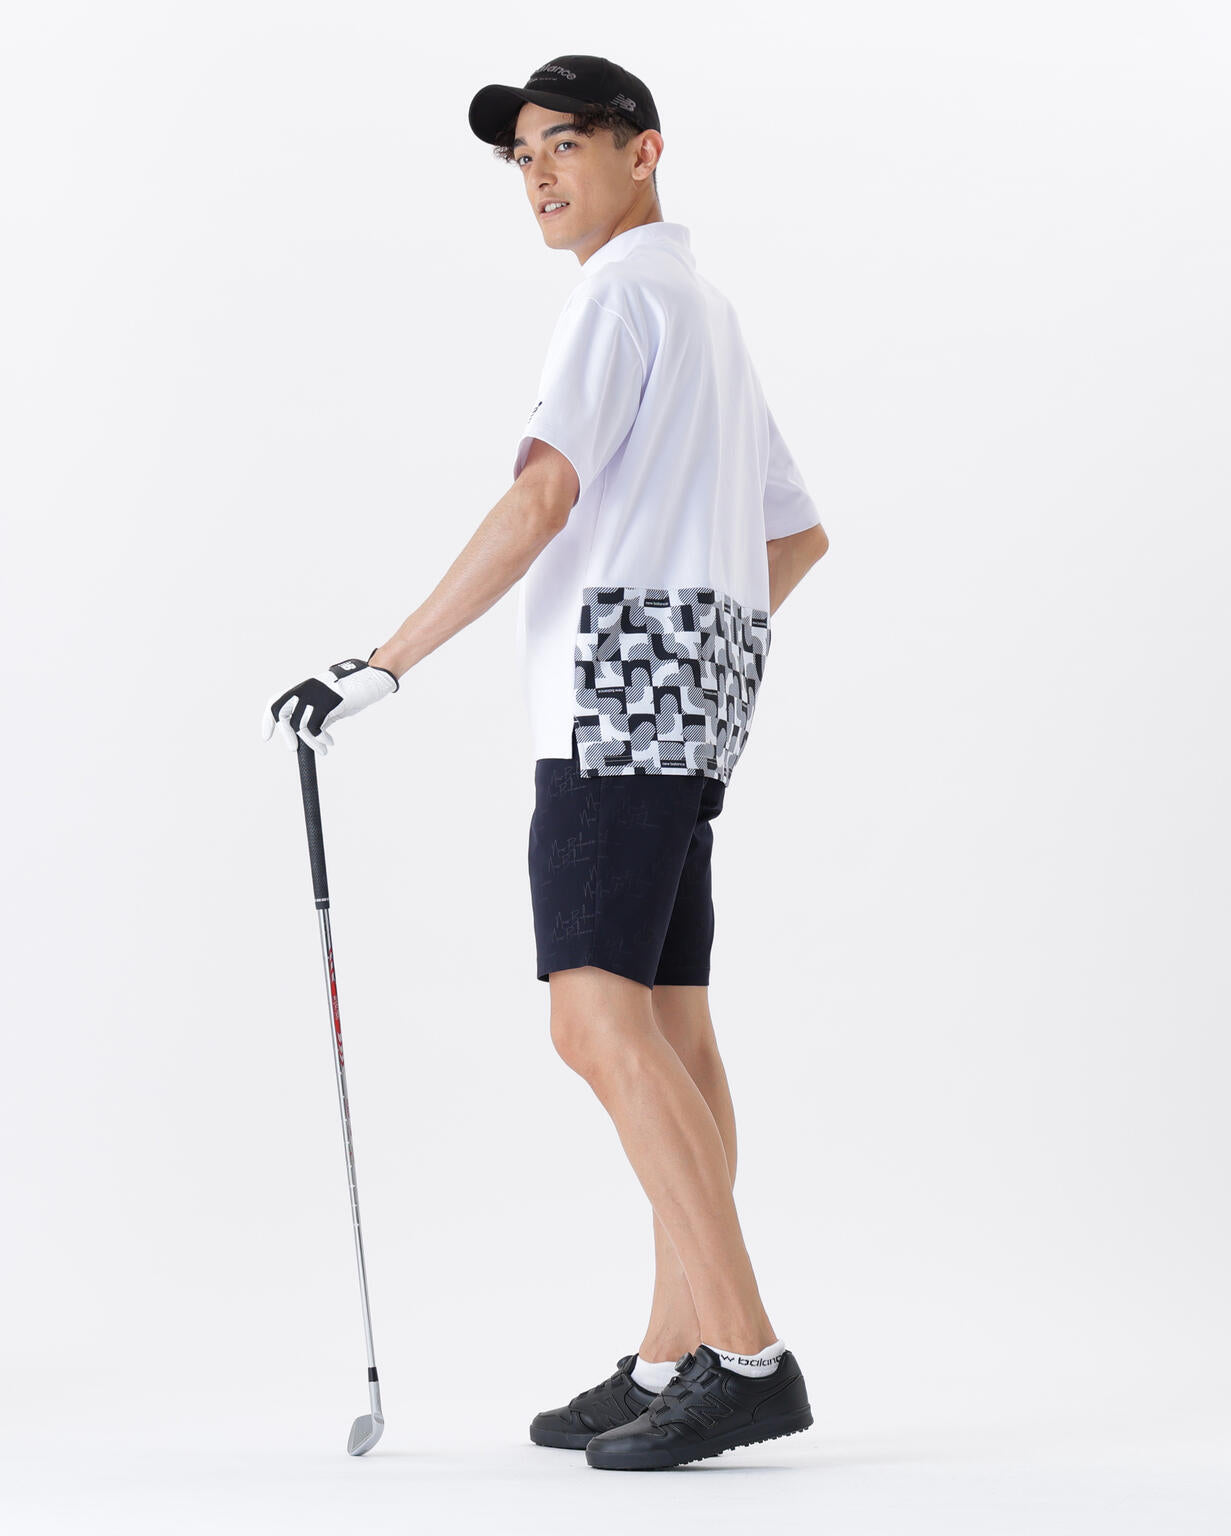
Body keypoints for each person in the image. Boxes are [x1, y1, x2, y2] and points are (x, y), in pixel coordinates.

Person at [262, 54, 830, 1471]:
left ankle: (749, 1356)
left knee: (590, 1018)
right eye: (522, 158)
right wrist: (702, 625)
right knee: (672, 1028)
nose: (539, 178)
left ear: (645, 150)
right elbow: (795, 536)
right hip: (692, 690)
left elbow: (542, 498)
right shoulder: (704, 311)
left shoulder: (618, 298)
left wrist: (381, 661)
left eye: (565, 145)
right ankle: (675, 1354)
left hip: (615, 696)